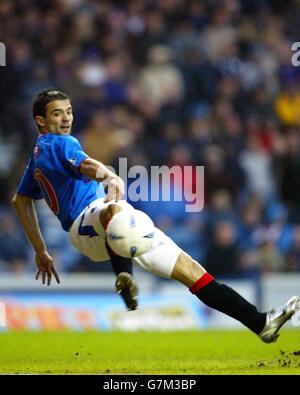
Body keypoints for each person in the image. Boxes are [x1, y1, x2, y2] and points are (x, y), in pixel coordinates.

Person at [13, 89, 299, 343]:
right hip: (86, 222)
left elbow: (20, 200)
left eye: (69, 112)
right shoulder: (59, 144)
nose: (66, 119)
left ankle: (261, 323)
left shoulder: (37, 158)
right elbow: (87, 165)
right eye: (57, 113)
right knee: (115, 209)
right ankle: (124, 276)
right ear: (40, 121)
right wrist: (110, 176)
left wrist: (41, 250)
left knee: (193, 273)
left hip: (105, 231)